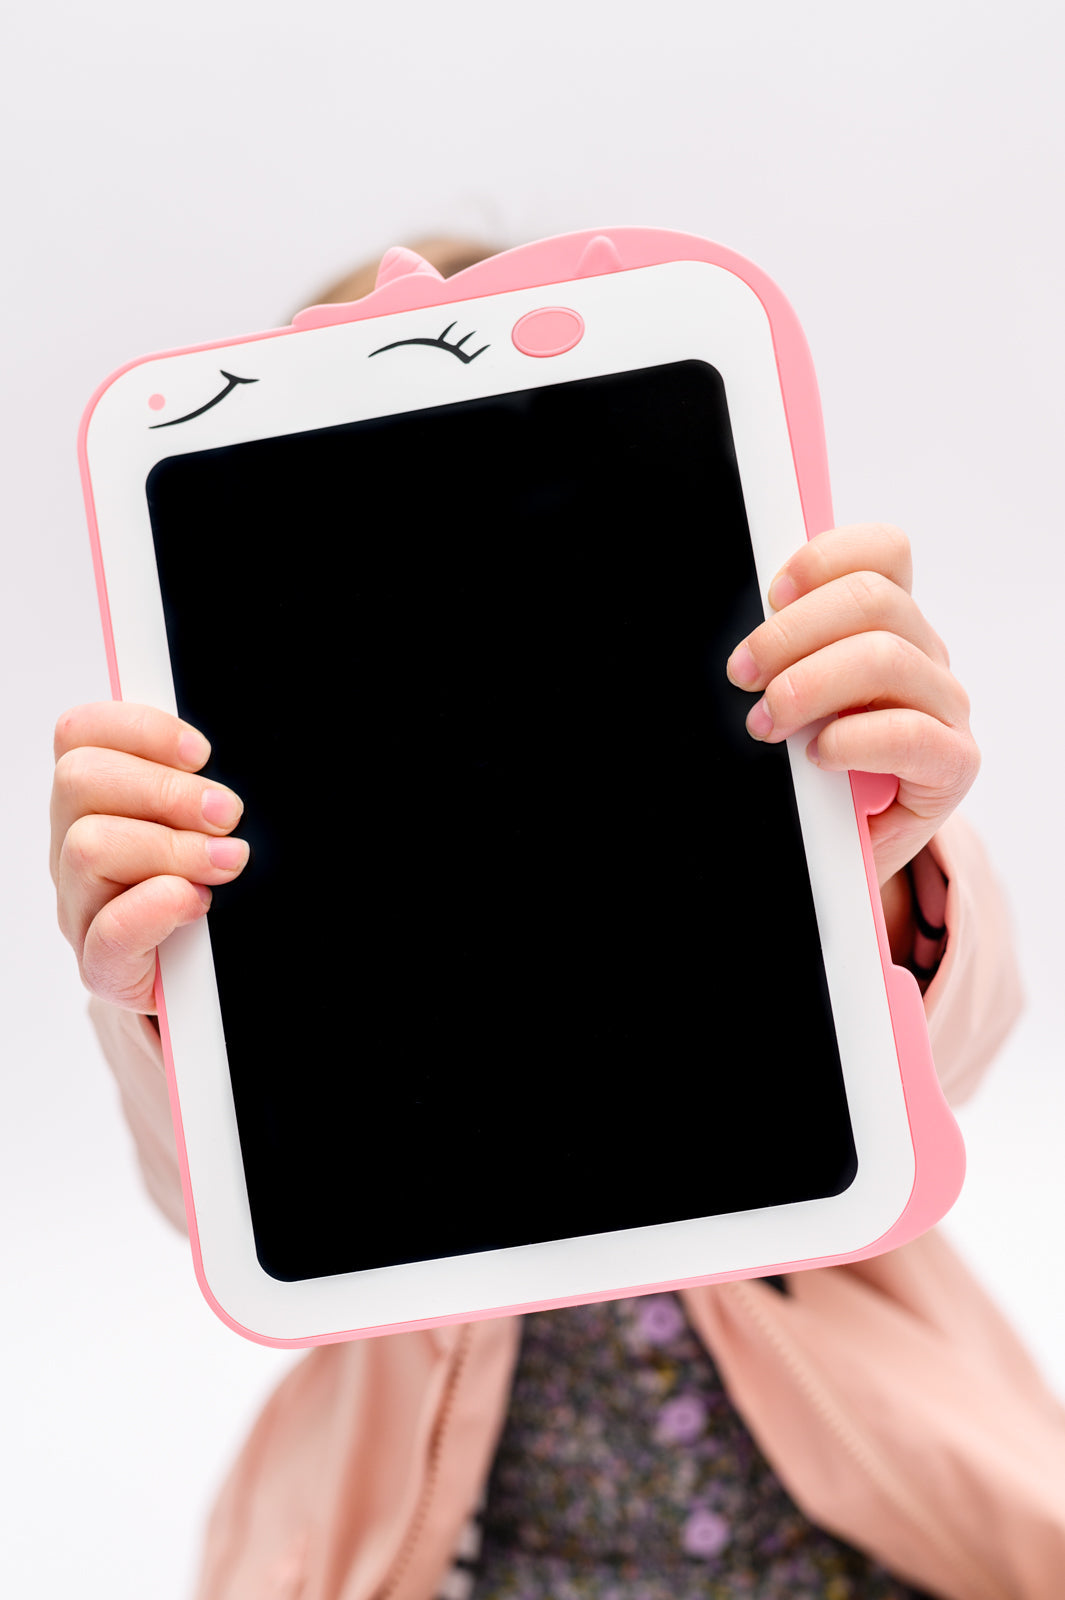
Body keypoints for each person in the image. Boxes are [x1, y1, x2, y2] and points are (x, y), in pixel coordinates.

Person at [51, 239, 1065, 1600]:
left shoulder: (720, 862)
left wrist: (879, 863)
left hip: (872, 1546)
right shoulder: (343, 969)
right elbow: (196, 1196)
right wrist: (165, 993)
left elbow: (966, 1038)